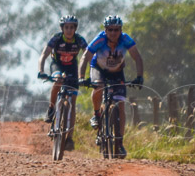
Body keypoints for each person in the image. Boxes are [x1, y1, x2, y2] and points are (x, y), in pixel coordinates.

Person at [77, 15, 144, 158]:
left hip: (117, 72)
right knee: (98, 86)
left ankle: (119, 144)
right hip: (98, 68)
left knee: (120, 106)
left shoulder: (125, 40)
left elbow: (137, 57)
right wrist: (81, 77)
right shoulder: (100, 39)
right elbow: (85, 57)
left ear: (121, 30)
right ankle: (96, 114)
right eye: (110, 30)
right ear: (105, 30)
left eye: (116, 30)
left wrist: (139, 77)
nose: (113, 33)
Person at [37, 15, 88, 151]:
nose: (69, 30)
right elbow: (43, 55)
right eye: (66, 27)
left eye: (72, 27)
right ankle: (51, 108)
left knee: (72, 101)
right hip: (57, 65)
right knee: (58, 80)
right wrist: (41, 70)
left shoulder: (80, 40)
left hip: (72, 68)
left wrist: (87, 75)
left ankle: (69, 138)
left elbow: (88, 55)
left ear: (75, 29)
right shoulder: (56, 38)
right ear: (62, 28)